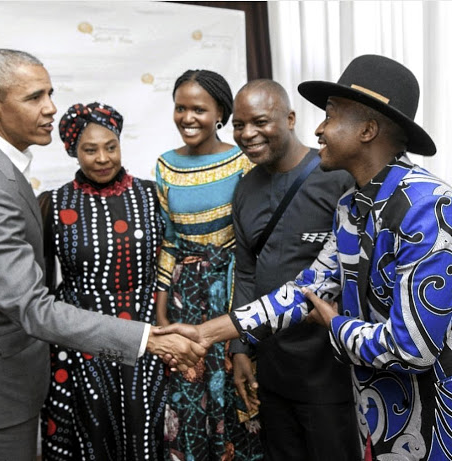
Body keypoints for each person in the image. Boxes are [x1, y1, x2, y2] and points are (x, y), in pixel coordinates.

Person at [159, 54, 452, 460]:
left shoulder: (429, 206)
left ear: (367, 130)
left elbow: (412, 347)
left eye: (330, 116)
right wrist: (207, 334)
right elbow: (304, 290)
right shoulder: (352, 205)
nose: (318, 129)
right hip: (375, 416)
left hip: (432, 427)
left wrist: (334, 323)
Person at [0, 48, 205, 461]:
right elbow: (31, 304)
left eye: (50, 93)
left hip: (10, 371)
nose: (50, 108)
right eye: (34, 98)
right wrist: (146, 338)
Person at [230, 79, 360, 460]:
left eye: (259, 121)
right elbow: (246, 272)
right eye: (239, 125)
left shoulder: (337, 178)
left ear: (289, 118)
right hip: (271, 372)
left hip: (329, 376)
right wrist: (239, 347)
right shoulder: (245, 189)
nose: (248, 134)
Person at [38, 102, 167, 460]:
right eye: (89, 149)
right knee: (91, 428)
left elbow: (170, 268)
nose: (102, 158)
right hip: (82, 336)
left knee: (145, 424)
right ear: (72, 150)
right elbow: (43, 286)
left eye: (110, 146)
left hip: (145, 336)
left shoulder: (152, 195)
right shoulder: (53, 202)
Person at [156, 69, 263, 460]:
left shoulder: (243, 160)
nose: (187, 117)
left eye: (198, 109)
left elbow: (253, 237)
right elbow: (170, 239)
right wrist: (162, 302)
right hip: (186, 296)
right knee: (188, 391)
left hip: (235, 289)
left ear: (220, 111)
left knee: (239, 386)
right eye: (180, 108)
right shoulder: (165, 165)